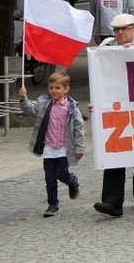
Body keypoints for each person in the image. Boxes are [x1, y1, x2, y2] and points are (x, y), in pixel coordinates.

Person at [93, 14, 134, 217]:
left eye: (124, 29)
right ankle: (112, 201)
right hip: (116, 107)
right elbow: (98, 76)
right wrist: (95, 101)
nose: (120, 33)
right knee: (115, 150)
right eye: (116, 29)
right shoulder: (107, 48)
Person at [18, 72, 85, 218]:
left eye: (58, 88)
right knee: (50, 177)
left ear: (66, 89)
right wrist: (24, 98)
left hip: (64, 148)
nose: (54, 91)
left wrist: (80, 147)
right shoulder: (44, 103)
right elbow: (31, 109)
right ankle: (53, 204)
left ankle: (72, 181)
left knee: (61, 173)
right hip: (48, 147)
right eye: (51, 88)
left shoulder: (71, 107)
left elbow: (79, 128)